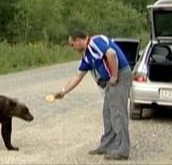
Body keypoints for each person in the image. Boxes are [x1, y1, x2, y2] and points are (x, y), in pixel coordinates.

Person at [54, 29, 132, 160]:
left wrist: (114, 75)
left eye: (72, 44)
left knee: (118, 113)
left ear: (78, 40)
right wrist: (63, 91)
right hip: (111, 82)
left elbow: (111, 54)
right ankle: (107, 145)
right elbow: (78, 76)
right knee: (108, 113)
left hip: (120, 76)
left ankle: (122, 150)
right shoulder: (87, 55)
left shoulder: (95, 42)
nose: (72, 48)